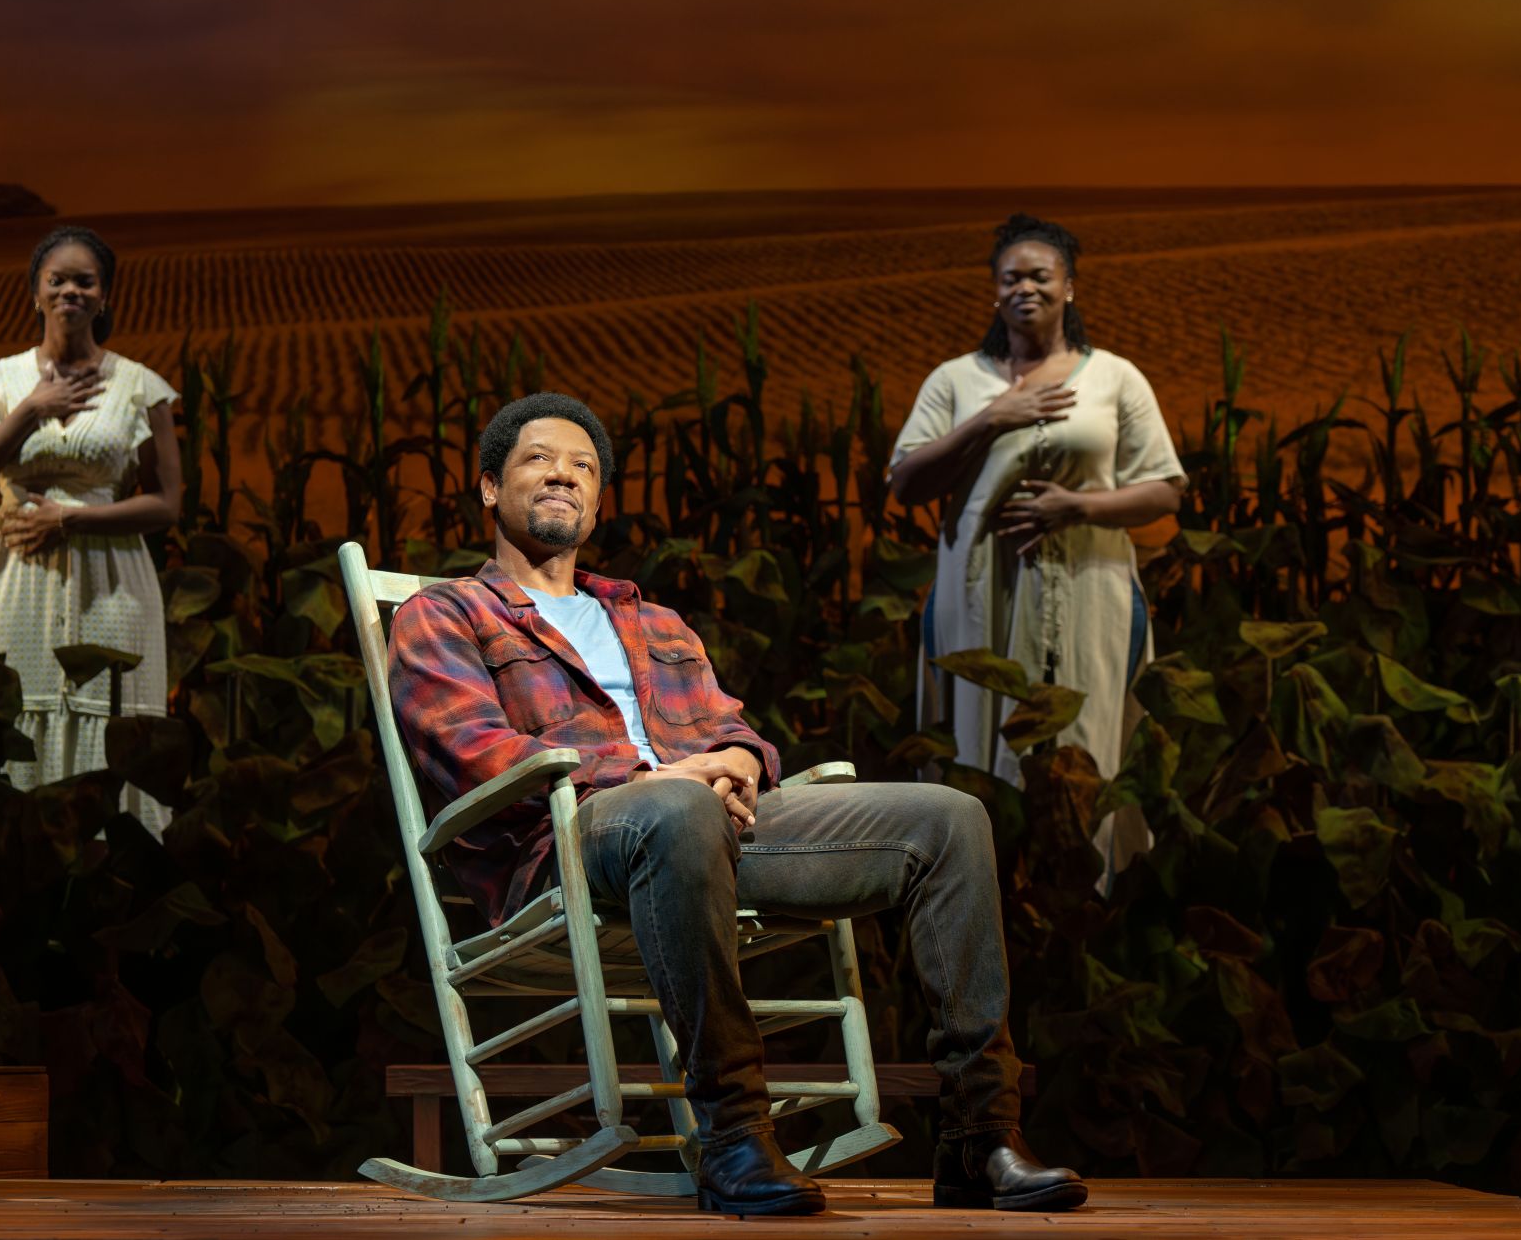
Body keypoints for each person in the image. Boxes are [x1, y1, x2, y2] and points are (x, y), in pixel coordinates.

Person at [387, 392, 1086, 1218]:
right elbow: (476, 753)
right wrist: (664, 782)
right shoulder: (445, 612)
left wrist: (738, 761)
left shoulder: (653, 619)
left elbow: (733, 729)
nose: (564, 475)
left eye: (583, 466)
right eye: (540, 459)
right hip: (569, 843)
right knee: (675, 816)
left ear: (599, 498)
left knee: (948, 819)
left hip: (707, 826)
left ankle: (980, 1134)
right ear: (488, 487)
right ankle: (734, 1134)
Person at [888, 215, 1184, 875]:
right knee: (978, 749)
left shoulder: (1115, 378)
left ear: (1069, 287)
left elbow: (1165, 489)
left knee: (1087, 744)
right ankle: (983, 910)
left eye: (1040, 275)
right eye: (1010, 277)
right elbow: (906, 480)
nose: (1025, 287)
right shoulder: (956, 381)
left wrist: (1076, 506)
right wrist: (994, 417)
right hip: (979, 598)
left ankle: (1084, 910)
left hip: (1091, 591)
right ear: (994, 292)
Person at [0, 226, 182, 839]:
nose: (70, 290)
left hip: (111, 582)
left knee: (109, 725)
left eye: (85, 280)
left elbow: (166, 502)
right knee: (6, 718)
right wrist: (30, 411)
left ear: (105, 297)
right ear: (35, 293)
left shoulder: (139, 385)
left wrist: (70, 518)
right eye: (57, 279)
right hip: (12, 580)